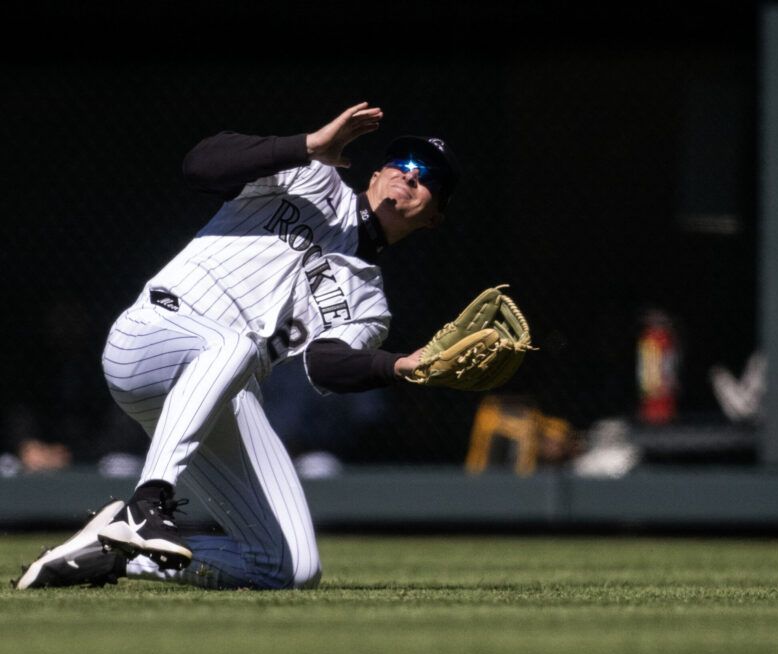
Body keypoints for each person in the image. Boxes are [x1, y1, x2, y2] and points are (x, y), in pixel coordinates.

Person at [15, 102, 459, 590]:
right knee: (239, 346)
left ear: (435, 217)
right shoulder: (313, 176)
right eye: (404, 163)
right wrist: (308, 145)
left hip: (216, 392)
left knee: (290, 568)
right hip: (152, 334)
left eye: (428, 178)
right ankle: (149, 504)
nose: (411, 176)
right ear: (376, 173)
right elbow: (201, 165)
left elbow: (325, 365)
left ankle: (111, 554)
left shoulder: (370, 304)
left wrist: (405, 365)